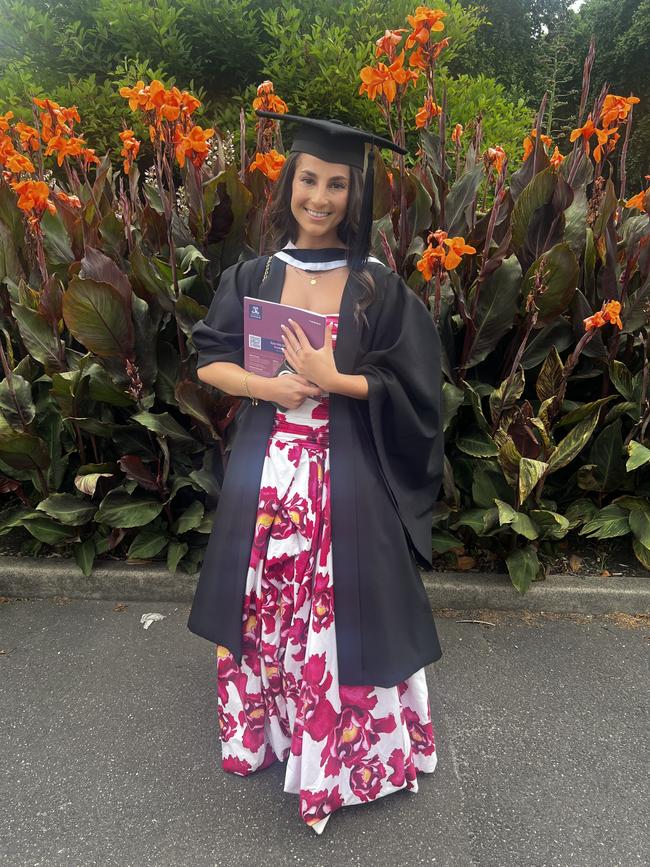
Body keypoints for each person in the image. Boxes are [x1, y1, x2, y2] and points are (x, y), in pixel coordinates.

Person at [188, 110, 444, 834]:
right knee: (267, 606)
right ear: (289, 184)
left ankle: (340, 756)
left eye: (337, 184)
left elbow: (419, 387)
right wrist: (269, 388)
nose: (321, 198)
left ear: (354, 196)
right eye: (309, 180)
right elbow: (209, 359)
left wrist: (339, 378)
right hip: (267, 484)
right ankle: (272, 732)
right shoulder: (255, 275)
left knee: (342, 613)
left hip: (348, 480)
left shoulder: (375, 286)